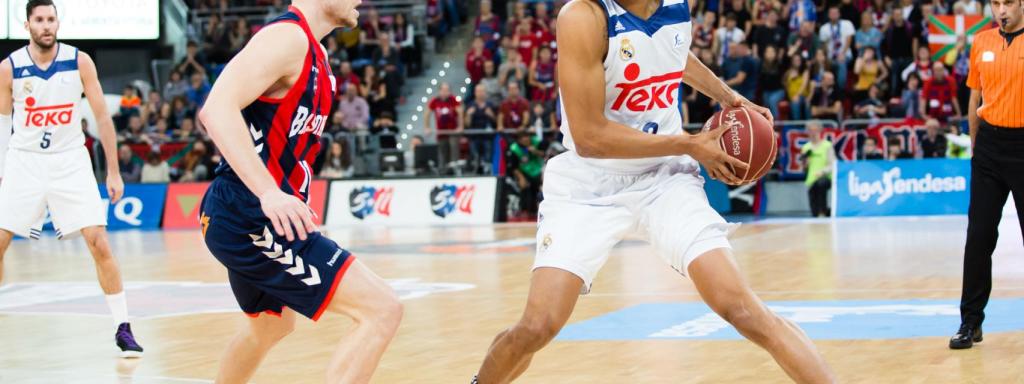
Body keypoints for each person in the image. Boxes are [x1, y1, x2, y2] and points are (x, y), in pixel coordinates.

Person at [472, 1, 835, 383]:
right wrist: (689, 145)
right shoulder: (582, 17)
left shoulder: (675, 7)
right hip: (590, 183)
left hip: (665, 178)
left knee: (743, 309)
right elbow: (591, 138)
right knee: (538, 325)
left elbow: (672, 51)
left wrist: (730, 97)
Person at [196, 1, 403, 382]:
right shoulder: (286, 38)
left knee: (271, 327)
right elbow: (216, 109)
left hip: (255, 215)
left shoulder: (317, 54)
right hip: (251, 215)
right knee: (382, 309)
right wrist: (269, 192)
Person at [0, 0, 143, 357]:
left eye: (51, 19)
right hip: (25, 161)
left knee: (99, 241)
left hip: (70, 161)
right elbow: (2, 124)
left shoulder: (80, 61)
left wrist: (112, 170)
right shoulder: (9, 67)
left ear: (57, 23)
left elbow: (103, 118)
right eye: (39, 20)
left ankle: (122, 327)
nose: (46, 25)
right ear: (27, 24)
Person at [951, 0, 1024, 350]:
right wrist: (976, 142)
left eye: (1007, 2)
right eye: (996, 3)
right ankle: (970, 322)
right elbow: (974, 95)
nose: (1001, 9)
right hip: (990, 147)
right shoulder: (982, 42)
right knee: (978, 236)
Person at [801, 121, 834, 218]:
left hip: (826, 177)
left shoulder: (827, 145)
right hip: (812, 179)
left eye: (815, 130)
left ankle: (823, 212)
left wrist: (823, 171)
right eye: (811, 130)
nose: (813, 133)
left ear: (820, 131)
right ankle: (824, 212)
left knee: (821, 185)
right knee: (814, 211)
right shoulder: (806, 147)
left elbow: (833, 164)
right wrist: (805, 164)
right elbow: (804, 169)